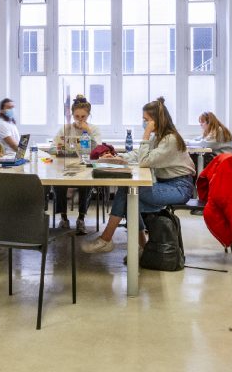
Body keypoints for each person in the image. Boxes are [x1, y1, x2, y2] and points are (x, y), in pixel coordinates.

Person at [82, 97, 195, 255]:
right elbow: (139, 154)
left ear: (156, 121)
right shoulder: (159, 136)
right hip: (166, 184)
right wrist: (117, 157)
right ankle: (143, 247)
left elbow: (144, 160)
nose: (144, 123)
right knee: (130, 199)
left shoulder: (170, 139)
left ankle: (106, 239)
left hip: (179, 188)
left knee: (127, 191)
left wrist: (146, 134)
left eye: (146, 120)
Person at [51, 94, 102, 234]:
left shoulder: (94, 129)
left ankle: (81, 218)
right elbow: (53, 147)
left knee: (86, 183)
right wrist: (60, 148)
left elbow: (98, 149)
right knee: (58, 183)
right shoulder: (65, 129)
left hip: (85, 166)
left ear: (88, 115)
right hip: (67, 166)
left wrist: (88, 131)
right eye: (77, 116)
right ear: (72, 115)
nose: (80, 119)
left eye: (83, 116)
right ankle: (63, 217)